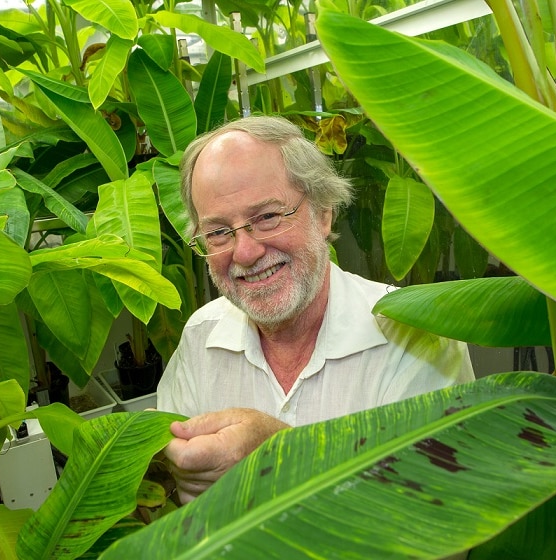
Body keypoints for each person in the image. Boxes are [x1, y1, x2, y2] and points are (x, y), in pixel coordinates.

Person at [156, 115, 475, 504]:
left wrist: (283, 456)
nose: (245, 251)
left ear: (323, 214)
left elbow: (435, 519)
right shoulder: (201, 335)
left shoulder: (413, 336)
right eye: (219, 231)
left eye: (268, 217)